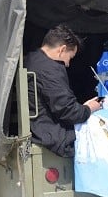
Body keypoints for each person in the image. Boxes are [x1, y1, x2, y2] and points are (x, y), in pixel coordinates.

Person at [25, 24, 102, 157]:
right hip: (51, 135)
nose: (68, 64)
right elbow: (69, 112)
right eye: (70, 57)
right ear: (62, 50)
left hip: (37, 127)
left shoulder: (30, 60)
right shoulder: (50, 69)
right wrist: (89, 108)